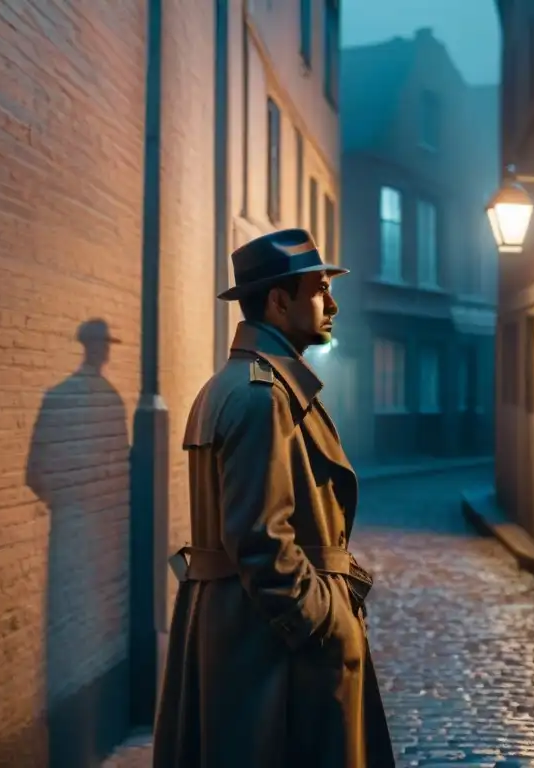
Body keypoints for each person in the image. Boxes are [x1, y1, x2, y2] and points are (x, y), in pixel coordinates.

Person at [152, 229, 394, 768]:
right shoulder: (263, 397)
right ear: (279, 301)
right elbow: (261, 539)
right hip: (269, 648)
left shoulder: (237, 384)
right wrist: (323, 623)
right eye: (318, 290)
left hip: (245, 630)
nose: (332, 304)